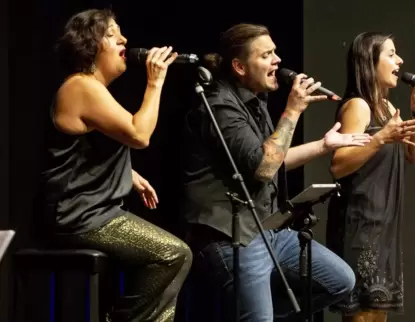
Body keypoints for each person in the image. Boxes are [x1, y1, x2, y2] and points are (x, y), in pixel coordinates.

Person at [181, 23, 372, 321]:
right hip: (234, 236)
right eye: (267, 55)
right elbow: (264, 166)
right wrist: (293, 111)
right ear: (239, 66)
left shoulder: (255, 102)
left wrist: (324, 145)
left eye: (275, 52)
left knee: (340, 282)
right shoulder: (220, 107)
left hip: (267, 230)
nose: (277, 61)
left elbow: (273, 159)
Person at [39, 9, 192, 322]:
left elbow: (83, 151)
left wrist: (129, 174)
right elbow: (139, 134)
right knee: (173, 254)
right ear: (90, 45)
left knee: (169, 264)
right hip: (78, 217)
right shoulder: (80, 86)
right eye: (112, 34)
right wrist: (155, 82)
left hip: (94, 213)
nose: (124, 39)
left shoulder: (91, 88)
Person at [326, 32, 415, 322]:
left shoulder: (387, 109)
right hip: (360, 224)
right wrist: (380, 138)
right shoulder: (359, 106)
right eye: (391, 54)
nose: (400, 60)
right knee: (361, 314)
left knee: (377, 312)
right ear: (369, 63)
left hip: (383, 224)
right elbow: (338, 165)